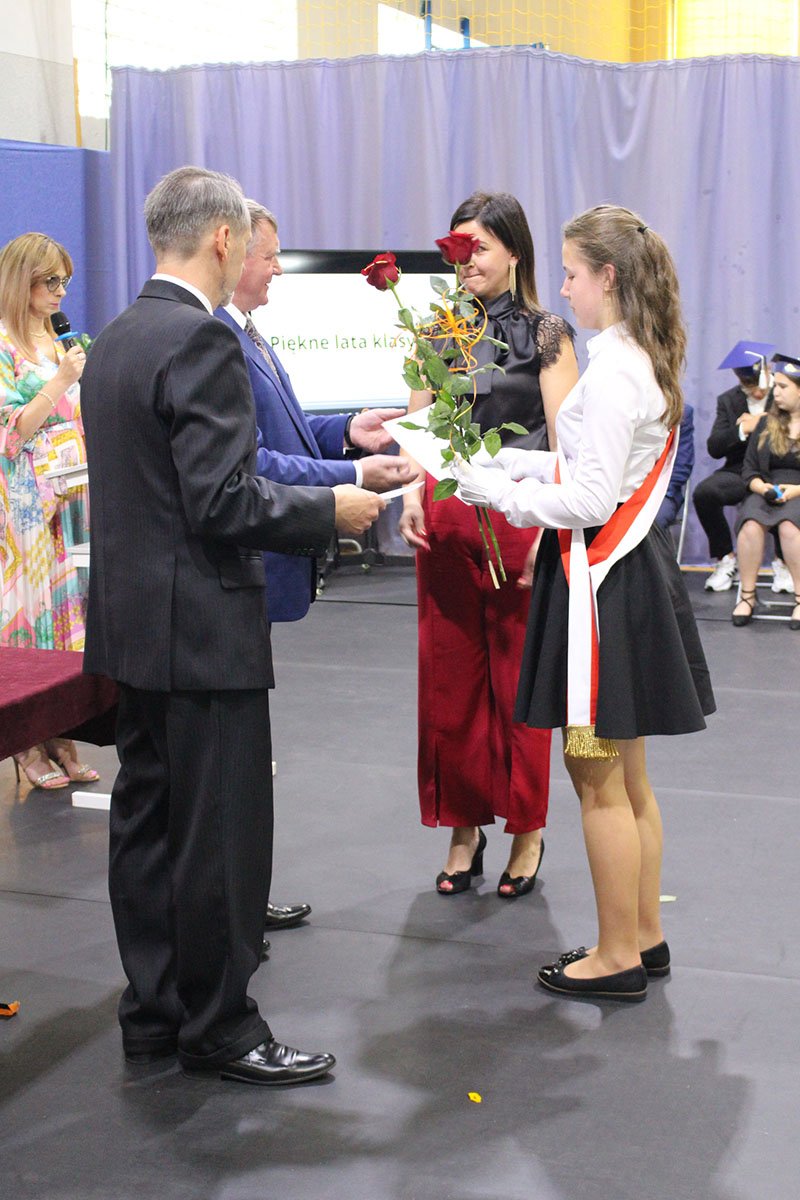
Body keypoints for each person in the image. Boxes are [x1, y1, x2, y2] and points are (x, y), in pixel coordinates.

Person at [80, 166, 383, 1083]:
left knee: (147, 825)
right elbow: (222, 499)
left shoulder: (116, 337)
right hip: (204, 629)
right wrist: (330, 509)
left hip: (132, 626)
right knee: (219, 836)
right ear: (222, 237)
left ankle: (154, 1010)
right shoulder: (202, 337)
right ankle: (220, 1027)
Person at [453, 204, 715, 1002]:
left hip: (600, 584)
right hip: (630, 578)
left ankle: (614, 955)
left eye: (571, 273)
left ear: (608, 275)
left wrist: (501, 493)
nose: (562, 288)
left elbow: (593, 499)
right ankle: (644, 935)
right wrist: (527, 468)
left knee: (595, 775)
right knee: (628, 778)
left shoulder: (614, 372)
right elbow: (605, 471)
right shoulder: (641, 357)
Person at [215, 200, 415, 933]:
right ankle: (231, 901)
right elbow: (253, 463)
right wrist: (350, 478)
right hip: (243, 559)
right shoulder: (217, 337)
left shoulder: (247, 332)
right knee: (232, 751)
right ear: (232, 252)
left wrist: (348, 431)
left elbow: (284, 432)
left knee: (245, 748)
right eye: (270, 256)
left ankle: (239, 892)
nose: (277, 269)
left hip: (259, 561)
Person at [398, 191, 578, 897]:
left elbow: (566, 443)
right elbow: (419, 425)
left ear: (513, 251)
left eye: (478, 245)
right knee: (449, 684)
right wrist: (412, 492)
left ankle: (527, 830)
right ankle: (463, 829)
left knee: (517, 682)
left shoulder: (549, 333)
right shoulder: (434, 328)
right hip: (446, 519)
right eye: (457, 246)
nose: (465, 258)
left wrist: (552, 525)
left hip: (519, 520)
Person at [0, 232, 99, 789]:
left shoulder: (64, 340)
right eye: (50, 281)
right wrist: (61, 381)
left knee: (70, 617)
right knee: (34, 616)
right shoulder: (2, 345)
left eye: (65, 280)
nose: (61, 291)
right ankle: (25, 743)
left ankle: (62, 732)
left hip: (76, 499)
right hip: (26, 507)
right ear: (22, 282)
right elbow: (11, 432)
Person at [693, 342, 791, 593]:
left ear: (767, 372)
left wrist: (760, 421)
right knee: (705, 493)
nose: (756, 392)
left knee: (780, 496)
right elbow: (715, 447)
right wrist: (742, 429)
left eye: (759, 385)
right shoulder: (728, 400)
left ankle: (783, 563)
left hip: (777, 469)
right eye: (748, 386)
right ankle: (725, 558)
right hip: (739, 471)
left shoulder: (784, 392)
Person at [731, 353, 800, 629]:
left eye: (783, 387)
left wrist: (795, 491)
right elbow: (749, 470)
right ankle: (747, 596)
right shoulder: (764, 423)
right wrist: (762, 488)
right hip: (767, 489)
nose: (776, 393)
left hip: (798, 492)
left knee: (789, 527)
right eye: (776, 386)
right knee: (750, 525)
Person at [654, 403, 694, 533]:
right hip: (626, 490)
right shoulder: (627, 409)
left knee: (652, 521)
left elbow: (681, 467)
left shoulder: (681, 412)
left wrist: (659, 491)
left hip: (663, 491)